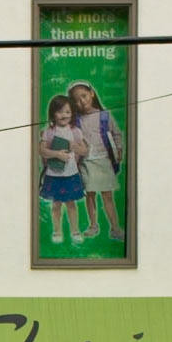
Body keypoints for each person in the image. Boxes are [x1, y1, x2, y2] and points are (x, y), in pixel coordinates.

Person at [69, 81, 126, 243]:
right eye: (77, 100)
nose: (82, 101)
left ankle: (115, 227)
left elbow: (116, 133)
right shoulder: (77, 120)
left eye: (84, 96)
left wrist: (119, 149)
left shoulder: (104, 115)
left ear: (92, 93)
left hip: (103, 160)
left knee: (107, 196)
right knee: (90, 195)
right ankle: (93, 225)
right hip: (86, 162)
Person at [37, 93, 87, 246]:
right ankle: (57, 231)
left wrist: (75, 147)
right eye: (60, 111)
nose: (64, 115)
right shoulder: (49, 131)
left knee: (71, 204)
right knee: (56, 204)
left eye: (68, 112)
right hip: (54, 174)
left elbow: (84, 151)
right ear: (53, 114)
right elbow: (42, 150)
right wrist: (57, 154)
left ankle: (75, 231)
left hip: (71, 174)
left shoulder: (76, 132)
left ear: (72, 113)